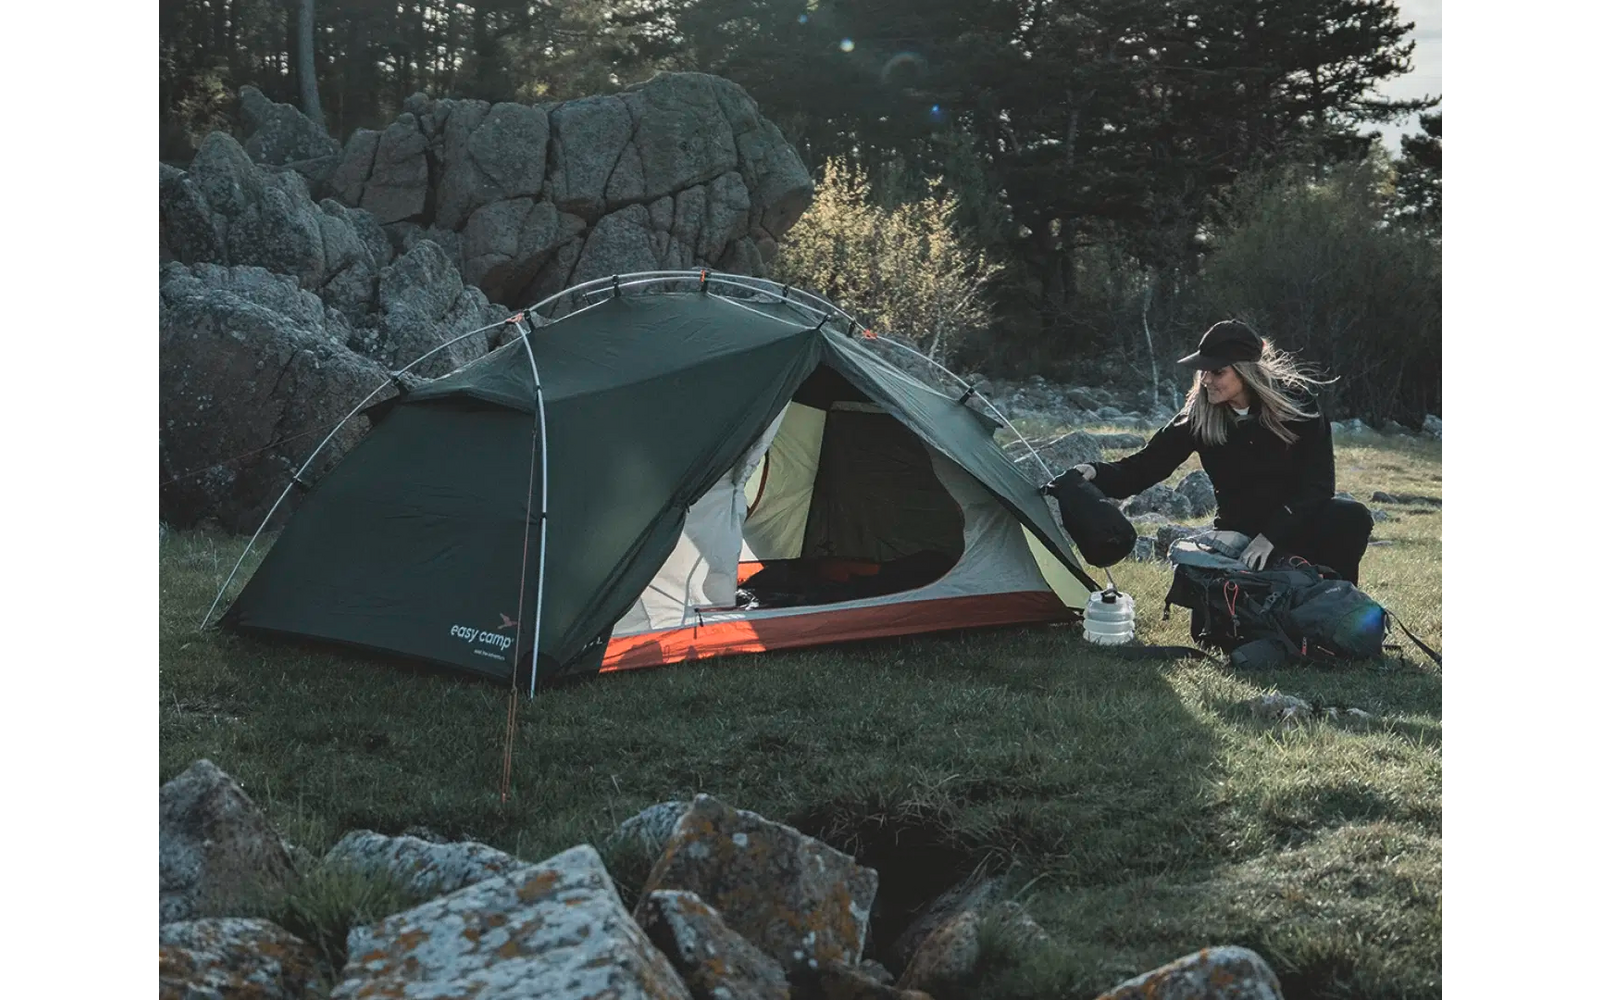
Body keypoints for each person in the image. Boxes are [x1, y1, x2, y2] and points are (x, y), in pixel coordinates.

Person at [1074, 319, 1374, 586]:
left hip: (1295, 524)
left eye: (1217, 372)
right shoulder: (1199, 417)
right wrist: (1096, 472)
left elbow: (1319, 485)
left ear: (1246, 372)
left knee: (1351, 516)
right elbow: (1144, 468)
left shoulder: (1298, 406)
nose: (1206, 380)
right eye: (1203, 371)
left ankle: (1337, 601)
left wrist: (1271, 537)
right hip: (1239, 531)